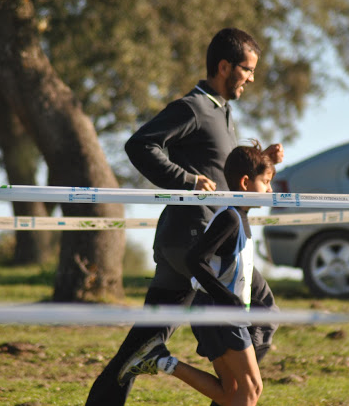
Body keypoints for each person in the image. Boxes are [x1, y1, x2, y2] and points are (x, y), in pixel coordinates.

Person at [86, 27, 283, 405]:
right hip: (200, 241)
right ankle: (234, 397)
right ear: (224, 66)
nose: (252, 78)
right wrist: (187, 181)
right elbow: (141, 144)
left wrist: (266, 163)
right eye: (247, 69)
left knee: (142, 344)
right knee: (264, 311)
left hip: (196, 241)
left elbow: (227, 171)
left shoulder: (222, 113)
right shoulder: (193, 107)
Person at [117, 141, 274, 406]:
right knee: (250, 391)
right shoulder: (230, 218)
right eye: (266, 181)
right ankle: (157, 358)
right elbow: (194, 259)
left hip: (219, 311)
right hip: (220, 312)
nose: (270, 190)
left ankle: (160, 360)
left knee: (230, 392)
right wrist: (227, 299)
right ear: (246, 183)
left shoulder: (240, 217)